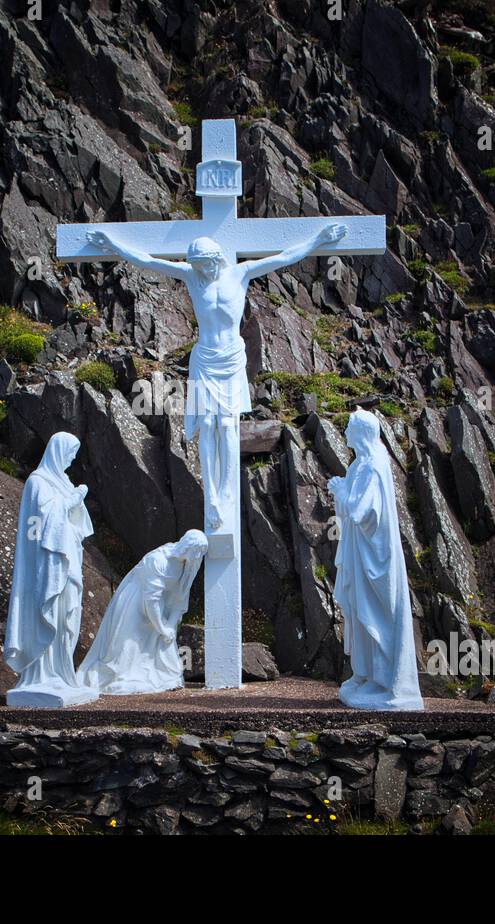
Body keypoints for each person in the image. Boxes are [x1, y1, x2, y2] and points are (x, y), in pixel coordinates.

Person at [85, 223, 346, 531]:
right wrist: (114, 245)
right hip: (205, 360)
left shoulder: (242, 273)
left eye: (205, 265)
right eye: (197, 266)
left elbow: (287, 255)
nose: (202, 271)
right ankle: (212, 496)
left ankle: (227, 492)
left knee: (227, 425)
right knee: (208, 426)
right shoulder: (192, 277)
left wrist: (319, 239)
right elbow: (149, 260)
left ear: (216, 259)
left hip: (232, 359)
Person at [327, 410, 424, 710]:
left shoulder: (371, 466)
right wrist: (342, 492)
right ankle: (366, 675)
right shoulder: (361, 463)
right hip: (362, 551)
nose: (344, 436)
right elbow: (351, 512)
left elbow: (359, 511)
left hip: (375, 558)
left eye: (348, 431)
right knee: (361, 614)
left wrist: (340, 490)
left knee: (374, 615)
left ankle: (384, 682)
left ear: (361, 434)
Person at [3, 432, 99, 707]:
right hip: (47, 564)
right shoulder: (37, 482)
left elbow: (81, 528)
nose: (71, 460)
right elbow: (41, 521)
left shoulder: (63, 482)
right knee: (50, 612)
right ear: (57, 452)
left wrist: (75, 500)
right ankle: (41, 674)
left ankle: (60, 670)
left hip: (68, 559)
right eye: (69, 454)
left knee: (67, 616)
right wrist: (72, 499)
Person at [77, 530, 209, 695]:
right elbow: (151, 601)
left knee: (164, 650)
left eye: (200, 555)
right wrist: (161, 627)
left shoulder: (187, 566)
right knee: (128, 647)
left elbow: (179, 599)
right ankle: (122, 676)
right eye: (196, 553)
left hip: (161, 608)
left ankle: (158, 676)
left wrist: (169, 626)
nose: (198, 558)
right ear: (188, 547)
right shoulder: (158, 560)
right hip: (136, 603)